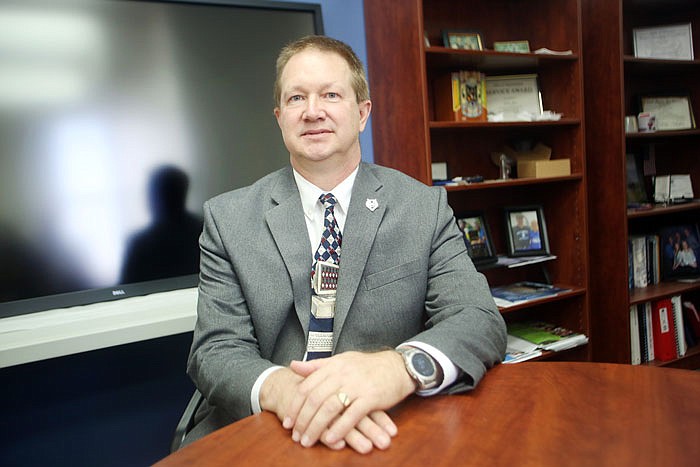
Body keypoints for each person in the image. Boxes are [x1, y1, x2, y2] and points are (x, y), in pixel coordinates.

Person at [185, 35, 506, 454]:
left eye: (330, 94)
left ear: (362, 112)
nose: (312, 111)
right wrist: (287, 392)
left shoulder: (423, 208)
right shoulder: (227, 219)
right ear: (280, 117)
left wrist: (398, 368)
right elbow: (215, 349)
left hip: (388, 425)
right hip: (267, 426)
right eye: (297, 98)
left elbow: (477, 317)